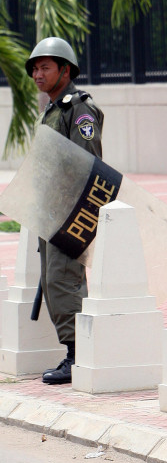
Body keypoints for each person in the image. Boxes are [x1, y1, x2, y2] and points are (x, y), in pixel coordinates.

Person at [26, 37, 104, 386]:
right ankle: (75, 352)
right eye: (35, 69)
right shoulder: (53, 109)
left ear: (65, 70)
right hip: (52, 212)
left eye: (45, 67)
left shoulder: (79, 109)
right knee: (54, 280)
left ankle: (79, 356)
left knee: (64, 280)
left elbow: (86, 163)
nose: (37, 74)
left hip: (71, 212)